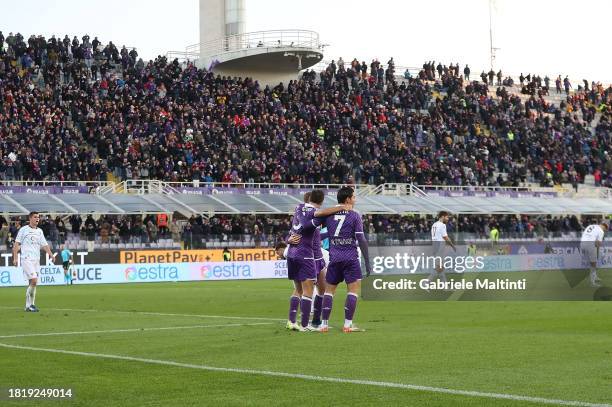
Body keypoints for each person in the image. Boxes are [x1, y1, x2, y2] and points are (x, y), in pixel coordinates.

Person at [286, 190, 348, 332]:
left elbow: (297, 231)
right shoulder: (312, 213)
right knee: (306, 290)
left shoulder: (299, 209)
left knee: (317, 288)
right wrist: (341, 207)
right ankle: (303, 323)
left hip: (311, 255)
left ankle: (312, 321)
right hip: (310, 256)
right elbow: (317, 221)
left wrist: (287, 240)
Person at [318, 186, 372, 333]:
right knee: (353, 291)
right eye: (354, 197)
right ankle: (347, 325)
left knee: (329, 291)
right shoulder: (354, 215)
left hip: (334, 257)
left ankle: (324, 325)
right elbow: (361, 239)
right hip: (350, 258)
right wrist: (367, 260)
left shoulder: (328, 215)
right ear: (348, 199)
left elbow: (316, 226)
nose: (355, 199)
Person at [13, 212, 56, 312]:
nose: (37, 219)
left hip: (36, 260)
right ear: (30, 218)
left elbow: (44, 245)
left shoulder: (40, 231)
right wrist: (15, 258)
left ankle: (29, 306)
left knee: (32, 283)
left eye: (38, 217)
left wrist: (50, 254)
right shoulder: (23, 230)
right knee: (34, 280)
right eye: (35, 217)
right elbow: (16, 244)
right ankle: (29, 305)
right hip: (26, 259)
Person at [427, 211, 456, 284]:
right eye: (447, 217)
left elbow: (433, 236)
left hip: (435, 245)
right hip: (440, 246)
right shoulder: (442, 225)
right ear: (442, 217)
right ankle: (426, 283)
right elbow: (446, 237)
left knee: (441, 267)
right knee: (440, 267)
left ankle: (445, 286)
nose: (448, 219)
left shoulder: (434, 224)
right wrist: (452, 246)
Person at [580, 222, 608, 287]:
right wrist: (597, 253)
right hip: (590, 243)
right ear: (604, 227)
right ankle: (592, 283)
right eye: (605, 230)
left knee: (591, 263)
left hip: (582, 243)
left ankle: (595, 276)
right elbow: (598, 244)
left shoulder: (591, 225)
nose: (604, 231)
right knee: (593, 263)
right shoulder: (601, 231)